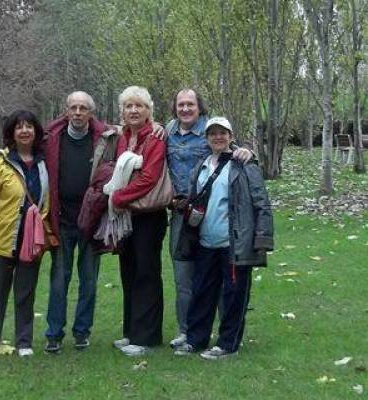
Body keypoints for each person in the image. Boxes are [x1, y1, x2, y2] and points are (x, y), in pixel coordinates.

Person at [173, 117, 273, 359]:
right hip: (205, 242)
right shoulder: (202, 165)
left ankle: (228, 344)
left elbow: (262, 204)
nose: (218, 137)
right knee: (202, 292)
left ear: (230, 135)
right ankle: (196, 339)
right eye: (213, 133)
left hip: (235, 244)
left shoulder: (245, 165)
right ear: (206, 138)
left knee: (233, 296)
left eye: (223, 133)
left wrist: (263, 238)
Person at [166, 88, 253, 348]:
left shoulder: (211, 132)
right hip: (184, 217)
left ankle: (225, 337)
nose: (185, 109)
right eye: (180, 104)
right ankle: (189, 332)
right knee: (188, 278)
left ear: (199, 107)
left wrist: (249, 153)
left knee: (223, 281)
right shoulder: (168, 132)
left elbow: (231, 151)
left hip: (217, 221)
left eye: (190, 104)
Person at [0, 110, 49, 357]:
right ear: (12, 133)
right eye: (19, 127)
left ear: (36, 131)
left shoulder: (44, 161)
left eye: (29, 126)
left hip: (32, 239)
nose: (25, 131)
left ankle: (24, 342)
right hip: (3, 237)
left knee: (26, 293)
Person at [43, 91, 108, 353]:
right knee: (59, 279)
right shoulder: (51, 138)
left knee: (89, 279)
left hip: (91, 222)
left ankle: (82, 331)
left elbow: (135, 133)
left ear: (91, 112)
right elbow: (18, 144)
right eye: (74, 108)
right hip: (62, 220)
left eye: (83, 108)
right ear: (66, 111)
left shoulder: (105, 139)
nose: (78, 112)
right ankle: (53, 333)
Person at [109, 86, 168, 356]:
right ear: (122, 110)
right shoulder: (123, 137)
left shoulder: (154, 138)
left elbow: (149, 178)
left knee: (146, 273)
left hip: (148, 215)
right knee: (128, 271)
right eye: (129, 106)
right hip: (127, 216)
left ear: (148, 111)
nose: (134, 110)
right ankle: (131, 331)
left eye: (139, 106)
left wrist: (117, 197)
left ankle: (146, 337)